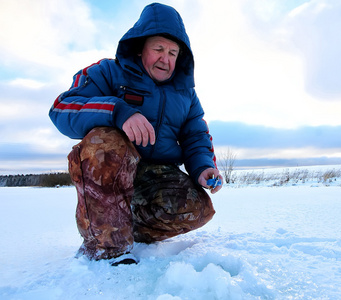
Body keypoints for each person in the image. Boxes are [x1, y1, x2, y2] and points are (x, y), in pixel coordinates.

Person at [49, 3, 223, 265]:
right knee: (104, 142)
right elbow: (62, 108)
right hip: (113, 168)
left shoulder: (186, 93)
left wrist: (203, 168)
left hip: (154, 174)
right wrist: (118, 111)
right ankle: (105, 247)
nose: (166, 59)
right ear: (141, 47)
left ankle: (123, 226)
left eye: (173, 53)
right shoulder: (108, 72)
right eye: (159, 49)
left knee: (198, 208)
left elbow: (195, 134)